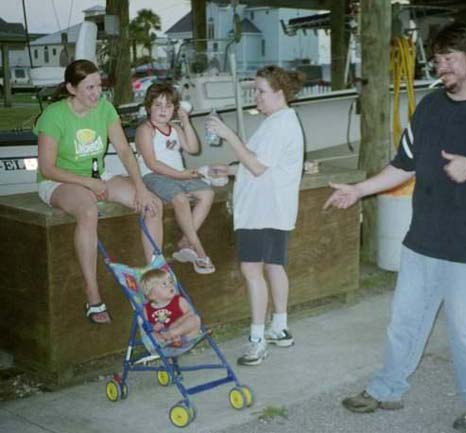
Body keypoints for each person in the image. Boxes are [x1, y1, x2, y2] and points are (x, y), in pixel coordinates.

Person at [324, 22, 466, 432]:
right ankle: (387, 389)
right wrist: (359, 190)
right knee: (404, 323)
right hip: (423, 239)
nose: (441, 68)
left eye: (449, 59)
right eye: (437, 60)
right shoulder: (430, 107)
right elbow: (402, 165)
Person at [34, 59, 163, 325]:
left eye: (99, 86)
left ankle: (155, 280)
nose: (97, 93)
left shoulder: (105, 108)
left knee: (153, 204)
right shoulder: (54, 115)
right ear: (72, 88)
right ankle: (92, 292)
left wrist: (140, 187)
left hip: (96, 177)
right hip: (58, 181)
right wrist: (88, 183)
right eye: (90, 88)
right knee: (88, 211)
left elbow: (125, 150)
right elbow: (47, 168)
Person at [206, 65, 306, 366]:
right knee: (274, 266)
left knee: (252, 271)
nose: (256, 97)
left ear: (279, 93)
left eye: (261, 91)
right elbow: (261, 165)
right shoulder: (281, 121)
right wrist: (230, 169)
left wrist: (228, 135)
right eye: (255, 91)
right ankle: (279, 327)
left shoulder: (278, 124)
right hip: (275, 209)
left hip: (261, 211)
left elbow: (258, 166)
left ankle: (257, 339)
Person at [136, 83, 215, 274]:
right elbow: (152, 163)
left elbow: (193, 148)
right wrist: (181, 175)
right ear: (149, 107)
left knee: (207, 193)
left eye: (169, 106)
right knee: (180, 199)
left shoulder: (175, 128)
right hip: (154, 176)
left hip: (178, 175)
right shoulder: (145, 130)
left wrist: (185, 121)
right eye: (158, 105)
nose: (163, 110)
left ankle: (186, 241)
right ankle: (199, 250)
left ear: (175, 109)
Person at [140, 268, 201, 346]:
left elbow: (190, 313)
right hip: (163, 336)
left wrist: (177, 323)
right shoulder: (146, 309)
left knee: (195, 319)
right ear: (152, 295)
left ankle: (174, 334)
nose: (170, 285)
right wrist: (153, 327)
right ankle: (167, 341)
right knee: (150, 335)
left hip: (183, 333)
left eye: (170, 282)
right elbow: (145, 325)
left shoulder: (179, 300)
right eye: (164, 284)